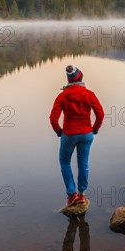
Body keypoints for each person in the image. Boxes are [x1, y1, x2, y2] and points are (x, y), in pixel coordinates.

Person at [50, 65, 104, 207]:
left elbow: (53, 118)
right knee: (83, 163)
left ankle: (71, 194)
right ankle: (81, 195)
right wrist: (95, 129)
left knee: (65, 162)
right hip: (86, 134)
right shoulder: (89, 94)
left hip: (69, 134)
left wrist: (59, 131)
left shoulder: (62, 96)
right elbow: (100, 113)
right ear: (80, 78)